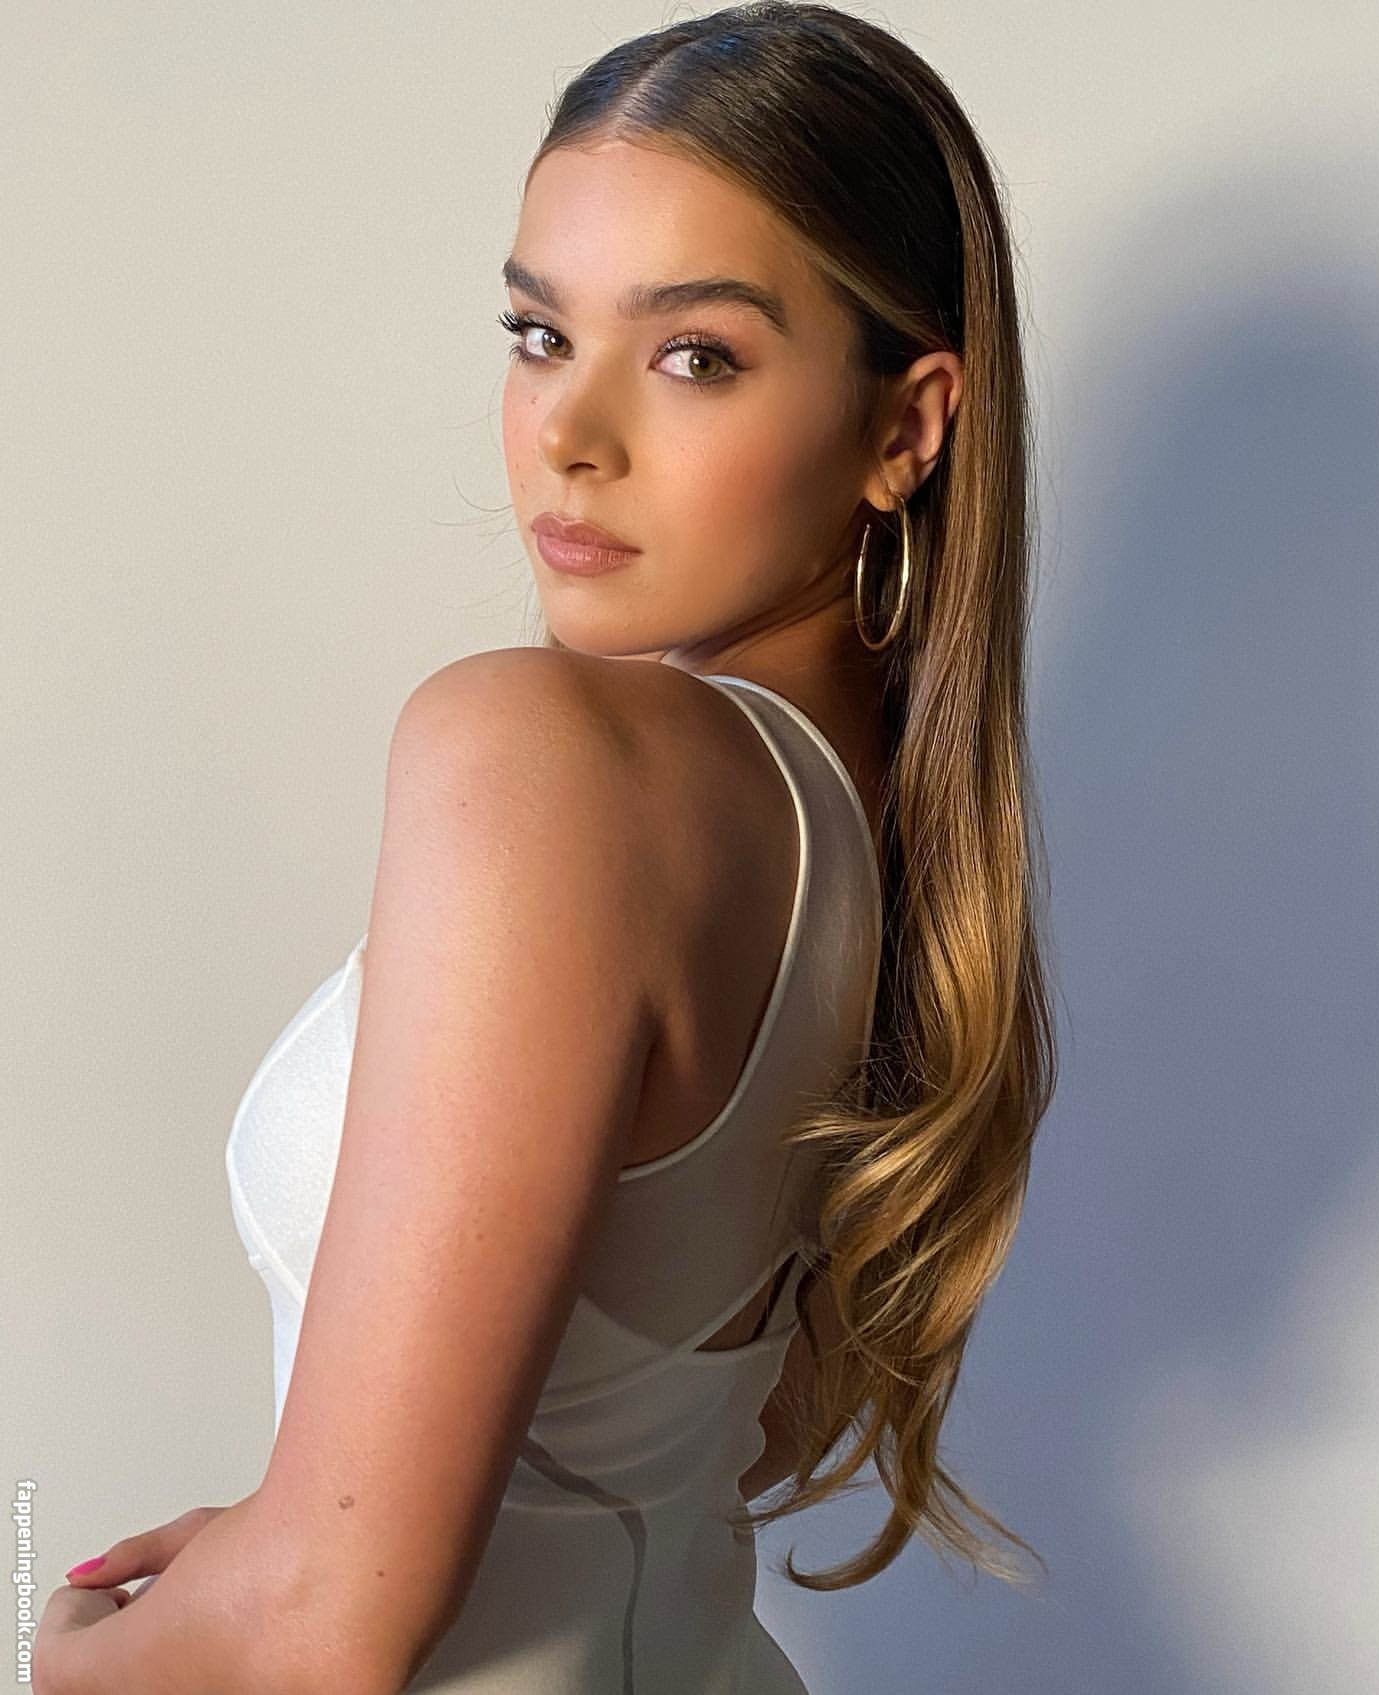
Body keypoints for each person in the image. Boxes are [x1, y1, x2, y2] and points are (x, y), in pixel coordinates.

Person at [41, 4, 1057, 1692]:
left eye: (694, 355)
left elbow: (329, 1630)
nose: (569, 434)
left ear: (906, 428)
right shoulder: (862, 860)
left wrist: (70, 1657)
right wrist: (299, 1524)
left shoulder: (546, 761)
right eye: (537, 333)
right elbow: (620, 1467)